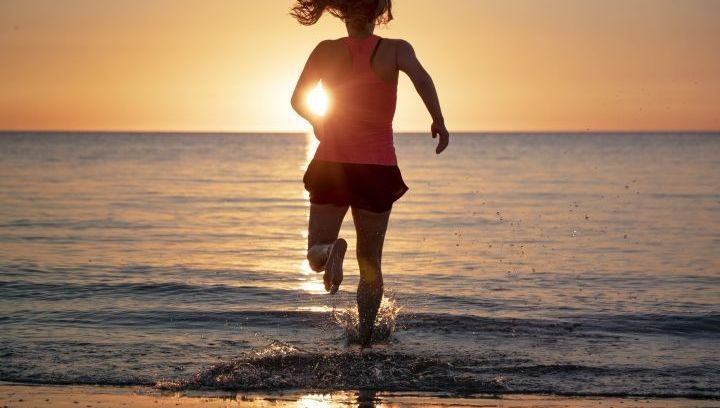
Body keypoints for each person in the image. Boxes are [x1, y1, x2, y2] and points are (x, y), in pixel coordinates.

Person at [290, 0, 449, 347]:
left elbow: (298, 98)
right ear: (379, 12)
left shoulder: (325, 50)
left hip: (332, 164)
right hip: (377, 168)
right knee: (370, 261)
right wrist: (438, 119)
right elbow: (422, 79)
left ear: (340, 11)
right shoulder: (396, 50)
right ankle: (364, 337)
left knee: (315, 254)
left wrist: (319, 122)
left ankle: (330, 249)